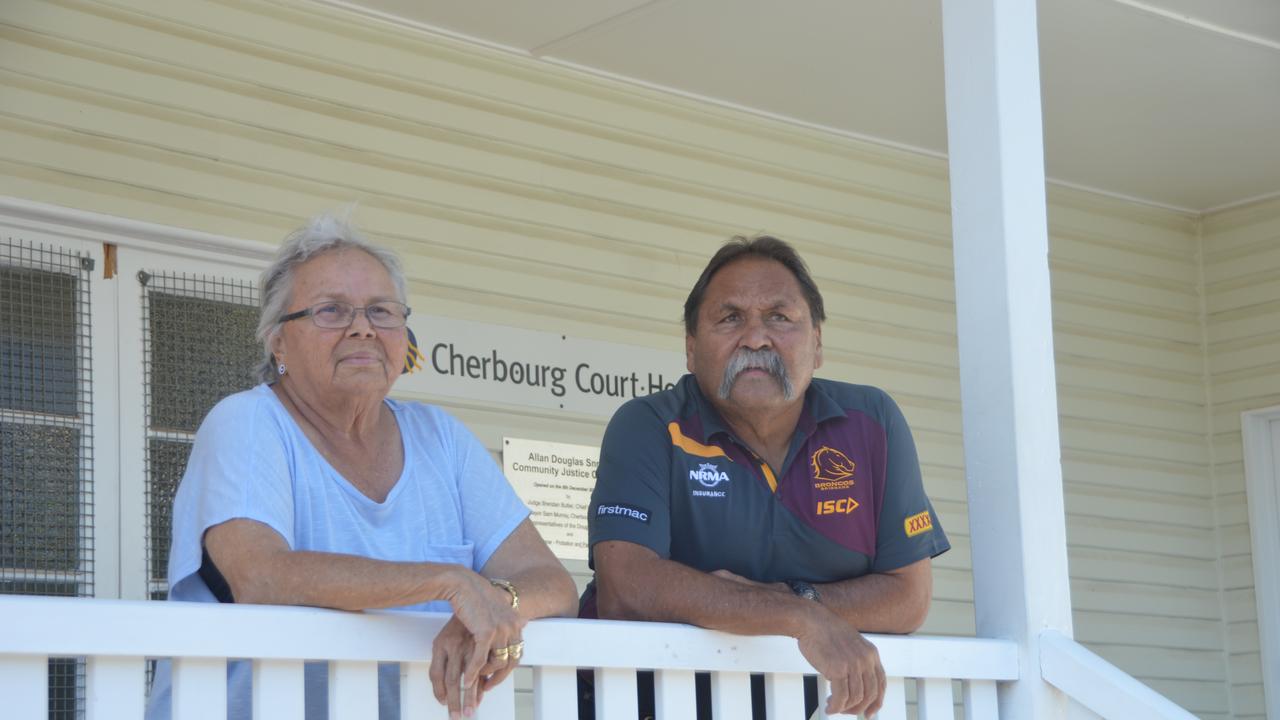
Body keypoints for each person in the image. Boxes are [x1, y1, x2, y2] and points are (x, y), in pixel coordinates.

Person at [146, 213, 578, 720]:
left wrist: (495, 602)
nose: (362, 328)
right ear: (278, 342)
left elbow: (552, 582)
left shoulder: (441, 438)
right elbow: (262, 577)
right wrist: (451, 582)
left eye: (381, 311)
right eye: (331, 311)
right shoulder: (248, 422)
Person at [582, 236, 949, 718]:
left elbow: (908, 597)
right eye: (730, 317)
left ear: (817, 343)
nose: (755, 338)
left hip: (812, 706)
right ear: (691, 350)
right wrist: (799, 617)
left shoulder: (872, 422)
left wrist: (795, 598)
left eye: (779, 316)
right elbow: (627, 585)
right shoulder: (650, 425)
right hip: (655, 705)